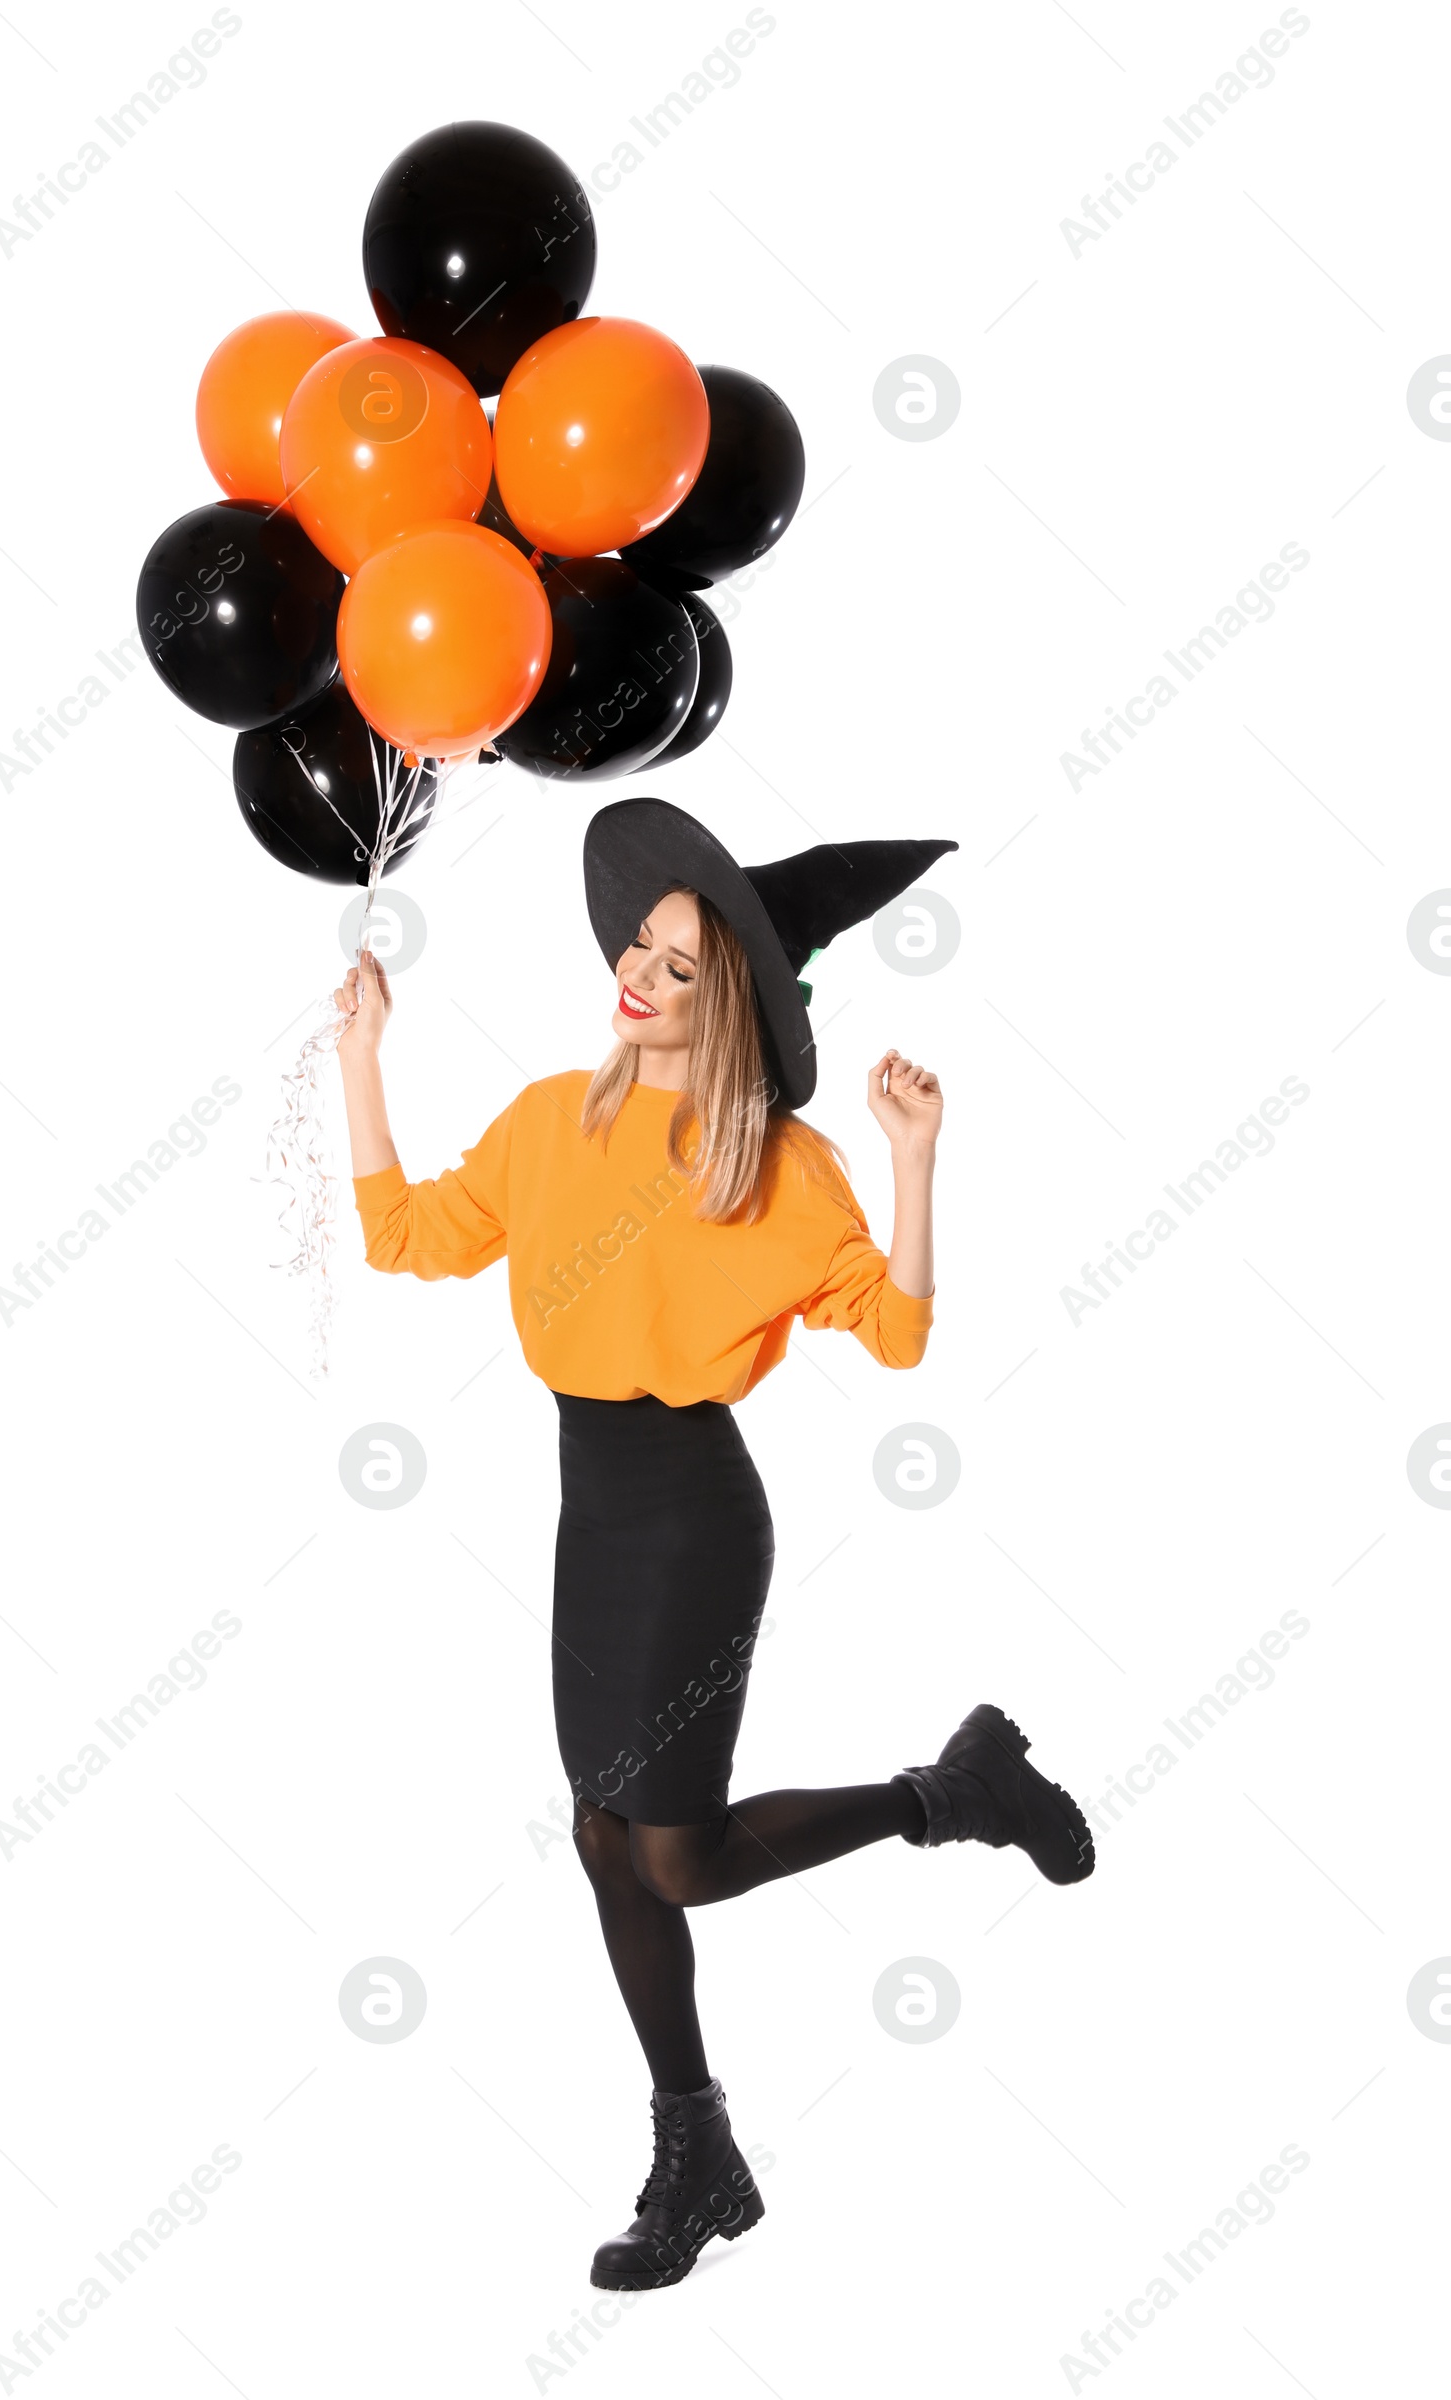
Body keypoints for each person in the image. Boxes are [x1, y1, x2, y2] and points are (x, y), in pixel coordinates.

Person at [333, 798, 1094, 2292]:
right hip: (587, 1510)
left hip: (691, 1522)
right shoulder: (557, 1116)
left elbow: (897, 1335)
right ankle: (698, 2154)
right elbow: (409, 1235)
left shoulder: (778, 1168)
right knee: (603, 1838)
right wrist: (364, 1058)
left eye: (682, 967)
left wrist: (914, 1161)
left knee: (671, 1858)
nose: (639, 973)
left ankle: (951, 1793)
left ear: (731, 999)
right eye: (642, 946)